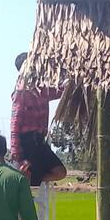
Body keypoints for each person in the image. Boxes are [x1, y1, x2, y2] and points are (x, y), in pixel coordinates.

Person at [10, 52, 67, 186]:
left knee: (60, 172)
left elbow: (62, 90)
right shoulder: (21, 92)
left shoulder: (42, 90)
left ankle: (30, 180)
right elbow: (15, 124)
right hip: (27, 141)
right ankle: (25, 182)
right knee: (26, 173)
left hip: (40, 141)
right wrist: (16, 152)